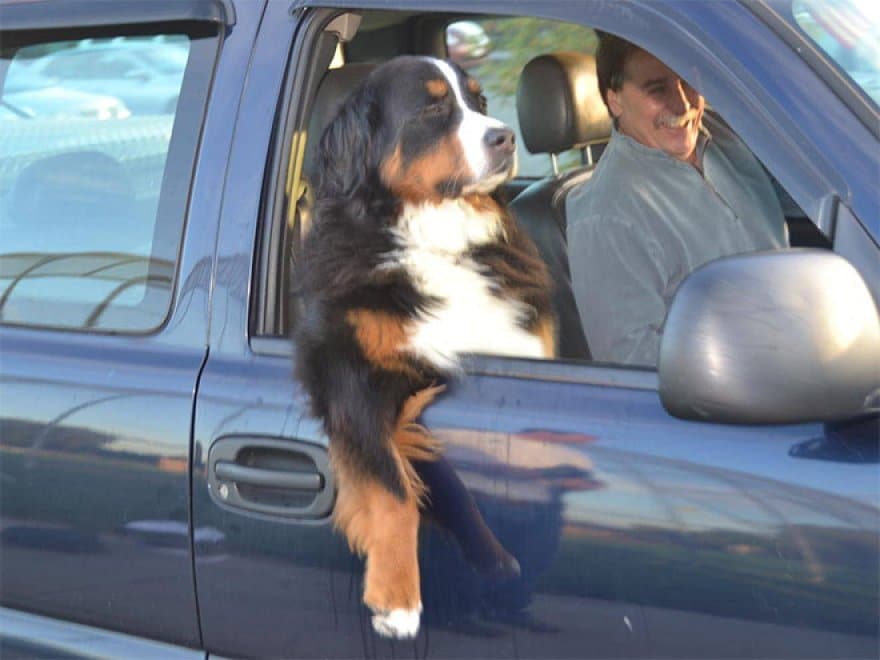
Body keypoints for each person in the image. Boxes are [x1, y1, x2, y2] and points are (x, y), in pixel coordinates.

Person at [566, 33, 788, 367]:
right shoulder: (608, 215)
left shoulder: (728, 135)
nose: (683, 105)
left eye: (688, 80)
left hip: (802, 344)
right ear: (615, 101)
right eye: (657, 89)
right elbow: (631, 362)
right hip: (741, 391)